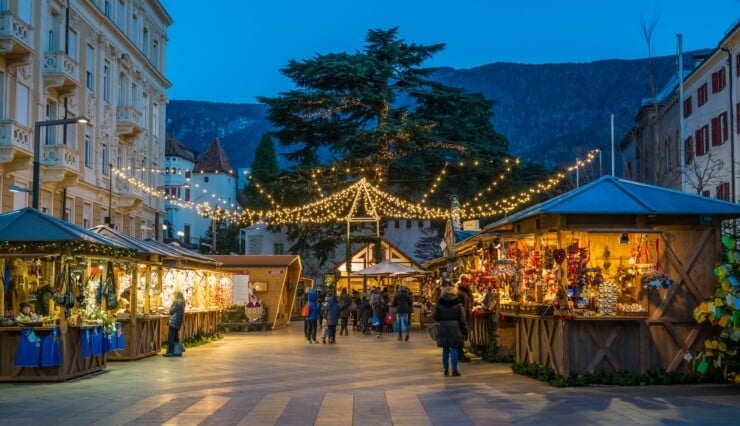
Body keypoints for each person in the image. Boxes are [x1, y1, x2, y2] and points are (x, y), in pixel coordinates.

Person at [433, 285, 468, 377]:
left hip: (443, 327)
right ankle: (454, 370)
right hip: (455, 328)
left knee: (445, 349)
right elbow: (463, 319)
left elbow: (435, 317)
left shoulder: (439, 303)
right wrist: (465, 330)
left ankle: (445, 370)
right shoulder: (458, 304)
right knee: (455, 348)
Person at [456, 279, 474, 362]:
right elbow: (461, 307)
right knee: (462, 334)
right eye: (467, 282)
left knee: (462, 335)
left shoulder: (463, 293)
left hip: (464, 316)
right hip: (463, 317)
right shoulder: (461, 294)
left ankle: (460, 352)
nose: (469, 283)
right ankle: (460, 354)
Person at [164, 291, 185, 357]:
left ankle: (171, 352)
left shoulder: (176, 303)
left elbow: (171, 311)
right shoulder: (182, 303)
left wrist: (171, 306)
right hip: (178, 322)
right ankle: (177, 351)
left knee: (171, 337)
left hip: (174, 322)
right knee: (175, 337)